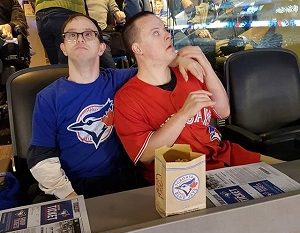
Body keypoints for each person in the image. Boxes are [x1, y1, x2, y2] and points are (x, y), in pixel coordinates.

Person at [27, 13, 207, 199]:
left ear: (101, 47)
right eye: (72, 35)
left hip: (125, 180)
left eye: (88, 34)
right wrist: (68, 195)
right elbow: (41, 156)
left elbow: (152, 63)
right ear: (63, 47)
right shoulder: (48, 98)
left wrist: (177, 60)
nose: (80, 38)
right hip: (75, 185)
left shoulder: (119, 79)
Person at [114, 11, 282, 184]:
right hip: (179, 176)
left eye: (164, 29)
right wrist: (183, 115)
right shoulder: (127, 98)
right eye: (156, 33)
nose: (167, 36)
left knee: (290, 173)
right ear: (137, 48)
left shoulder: (188, 72)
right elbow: (145, 155)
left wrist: (205, 64)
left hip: (224, 156)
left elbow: (222, 111)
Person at [85, 0, 126, 68]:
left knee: (102, 50)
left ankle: (112, 74)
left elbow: (115, 9)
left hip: (102, 33)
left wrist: (118, 13)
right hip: (84, 33)